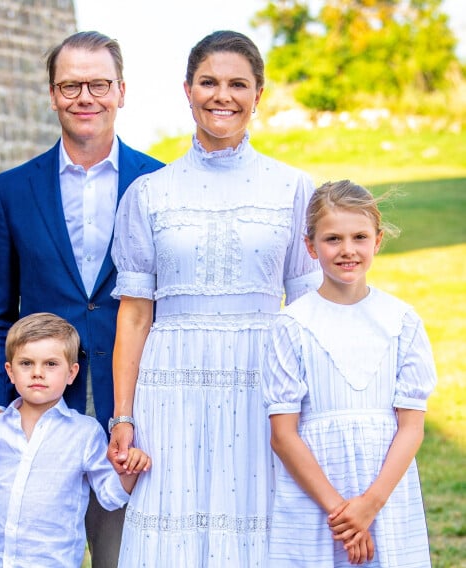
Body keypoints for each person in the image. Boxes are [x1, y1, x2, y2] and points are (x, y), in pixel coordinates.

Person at [107, 30, 322, 566]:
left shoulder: (294, 189)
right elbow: (134, 315)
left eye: (237, 84)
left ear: (258, 94)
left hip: (264, 382)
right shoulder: (150, 193)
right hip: (171, 382)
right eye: (208, 82)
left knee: (259, 513)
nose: (221, 95)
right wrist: (122, 416)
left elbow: (308, 312)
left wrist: (310, 409)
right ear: (187, 89)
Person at [0, 31, 163, 568]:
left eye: (99, 84)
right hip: (38, 416)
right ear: (52, 94)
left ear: (121, 91)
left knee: (120, 557)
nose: (86, 97)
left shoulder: (159, 184)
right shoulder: (11, 190)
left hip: (132, 416)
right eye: (70, 85)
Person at [262, 180, 437, 566]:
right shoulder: (292, 324)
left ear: (377, 241)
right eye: (332, 239)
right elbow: (283, 436)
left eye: (359, 236)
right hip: (317, 500)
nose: (347, 250)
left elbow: (411, 426)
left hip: (386, 495)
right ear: (310, 247)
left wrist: (369, 506)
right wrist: (342, 513)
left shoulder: (401, 321)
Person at [0, 312, 150, 567]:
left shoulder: (84, 433)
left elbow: (110, 495)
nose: (37, 373)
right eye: (26, 363)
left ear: (71, 373)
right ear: (10, 372)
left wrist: (130, 469)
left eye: (51, 364)